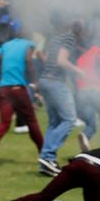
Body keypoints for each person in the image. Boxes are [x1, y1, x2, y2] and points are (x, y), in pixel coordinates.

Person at [0, 26, 42, 163]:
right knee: (31, 120)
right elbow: (28, 60)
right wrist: (34, 80)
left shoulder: (6, 45)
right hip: (18, 88)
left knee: (5, 121)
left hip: (3, 88)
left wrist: (6, 71)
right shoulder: (29, 44)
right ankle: (44, 151)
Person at [36, 19, 81, 174]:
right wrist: (78, 71)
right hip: (55, 82)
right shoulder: (69, 37)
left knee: (54, 122)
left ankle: (47, 162)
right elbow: (61, 60)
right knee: (69, 119)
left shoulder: (55, 37)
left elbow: (44, 56)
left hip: (45, 80)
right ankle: (48, 156)